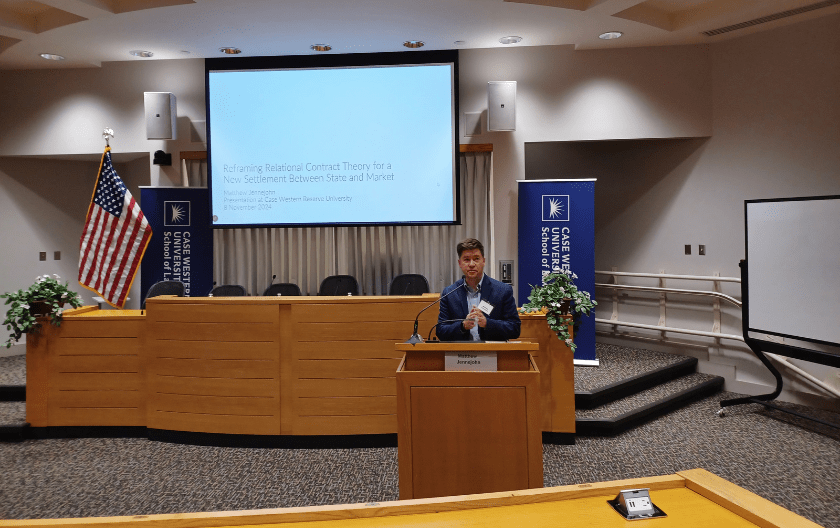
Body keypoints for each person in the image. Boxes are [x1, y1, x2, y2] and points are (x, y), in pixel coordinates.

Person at [436, 238, 521, 341]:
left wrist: (487, 323)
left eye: (476, 259)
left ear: (483, 261)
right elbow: (440, 331)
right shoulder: (449, 293)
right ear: (459, 263)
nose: (471, 264)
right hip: (460, 354)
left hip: (493, 353)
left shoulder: (502, 291)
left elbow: (515, 329)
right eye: (466, 259)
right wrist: (462, 326)